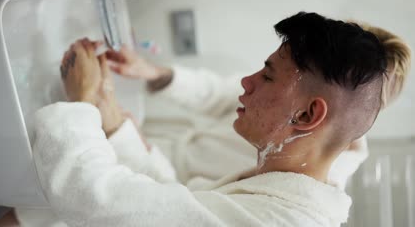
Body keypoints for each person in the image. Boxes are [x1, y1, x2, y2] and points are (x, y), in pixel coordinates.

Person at [29, 12, 387, 226]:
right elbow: (168, 201)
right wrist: (113, 122)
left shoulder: (276, 221)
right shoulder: (281, 186)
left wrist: (81, 105)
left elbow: (97, 205)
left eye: (266, 76)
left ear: (308, 115)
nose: (245, 82)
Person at [105, 21, 411, 189]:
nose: (246, 83)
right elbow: (216, 92)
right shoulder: (288, 115)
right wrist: (153, 73)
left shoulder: (296, 174)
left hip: (144, 173)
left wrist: (123, 135)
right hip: (144, 157)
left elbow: (176, 203)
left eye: (267, 76)